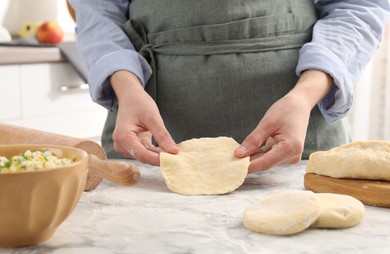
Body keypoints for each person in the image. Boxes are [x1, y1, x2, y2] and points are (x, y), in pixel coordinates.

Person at [69, 0, 389, 173]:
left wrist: (305, 95)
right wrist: (126, 87)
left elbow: (358, 7)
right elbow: (96, 12)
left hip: (300, 130)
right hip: (147, 138)